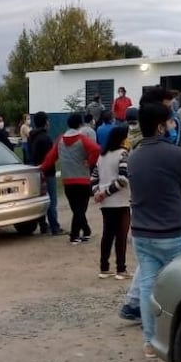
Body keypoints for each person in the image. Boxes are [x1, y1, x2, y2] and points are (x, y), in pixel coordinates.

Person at [127, 102, 181, 359]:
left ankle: (150, 342)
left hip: (142, 234)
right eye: (170, 121)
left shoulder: (133, 156)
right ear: (160, 126)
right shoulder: (176, 154)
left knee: (148, 287)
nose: (173, 125)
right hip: (172, 234)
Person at [39, 112, 100, 244]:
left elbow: (50, 158)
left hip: (67, 181)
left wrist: (41, 168)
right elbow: (96, 149)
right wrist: (89, 162)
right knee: (80, 209)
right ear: (80, 124)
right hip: (82, 180)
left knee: (76, 209)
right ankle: (75, 235)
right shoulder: (82, 139)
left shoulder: (60, 140)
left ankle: (86, 231)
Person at [91, 125, 131, 279]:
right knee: (121, 236)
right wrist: (106, 193)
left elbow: (93, 178)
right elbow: (123, 179)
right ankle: (121, 269)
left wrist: (98, 193)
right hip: (120, 201)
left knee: (107, 234)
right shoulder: (123, 154)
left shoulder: (102, 155)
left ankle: (104, 267)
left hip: (105, 203)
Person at [29, 111, 63, 236]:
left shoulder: (32, 136)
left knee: (41, 198)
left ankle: (43, 225)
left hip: (36, 170)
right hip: (48, 171)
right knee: (52, 201)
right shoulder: (46, 138)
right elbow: (51, 156)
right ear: (45, 122)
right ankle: (54, 226)